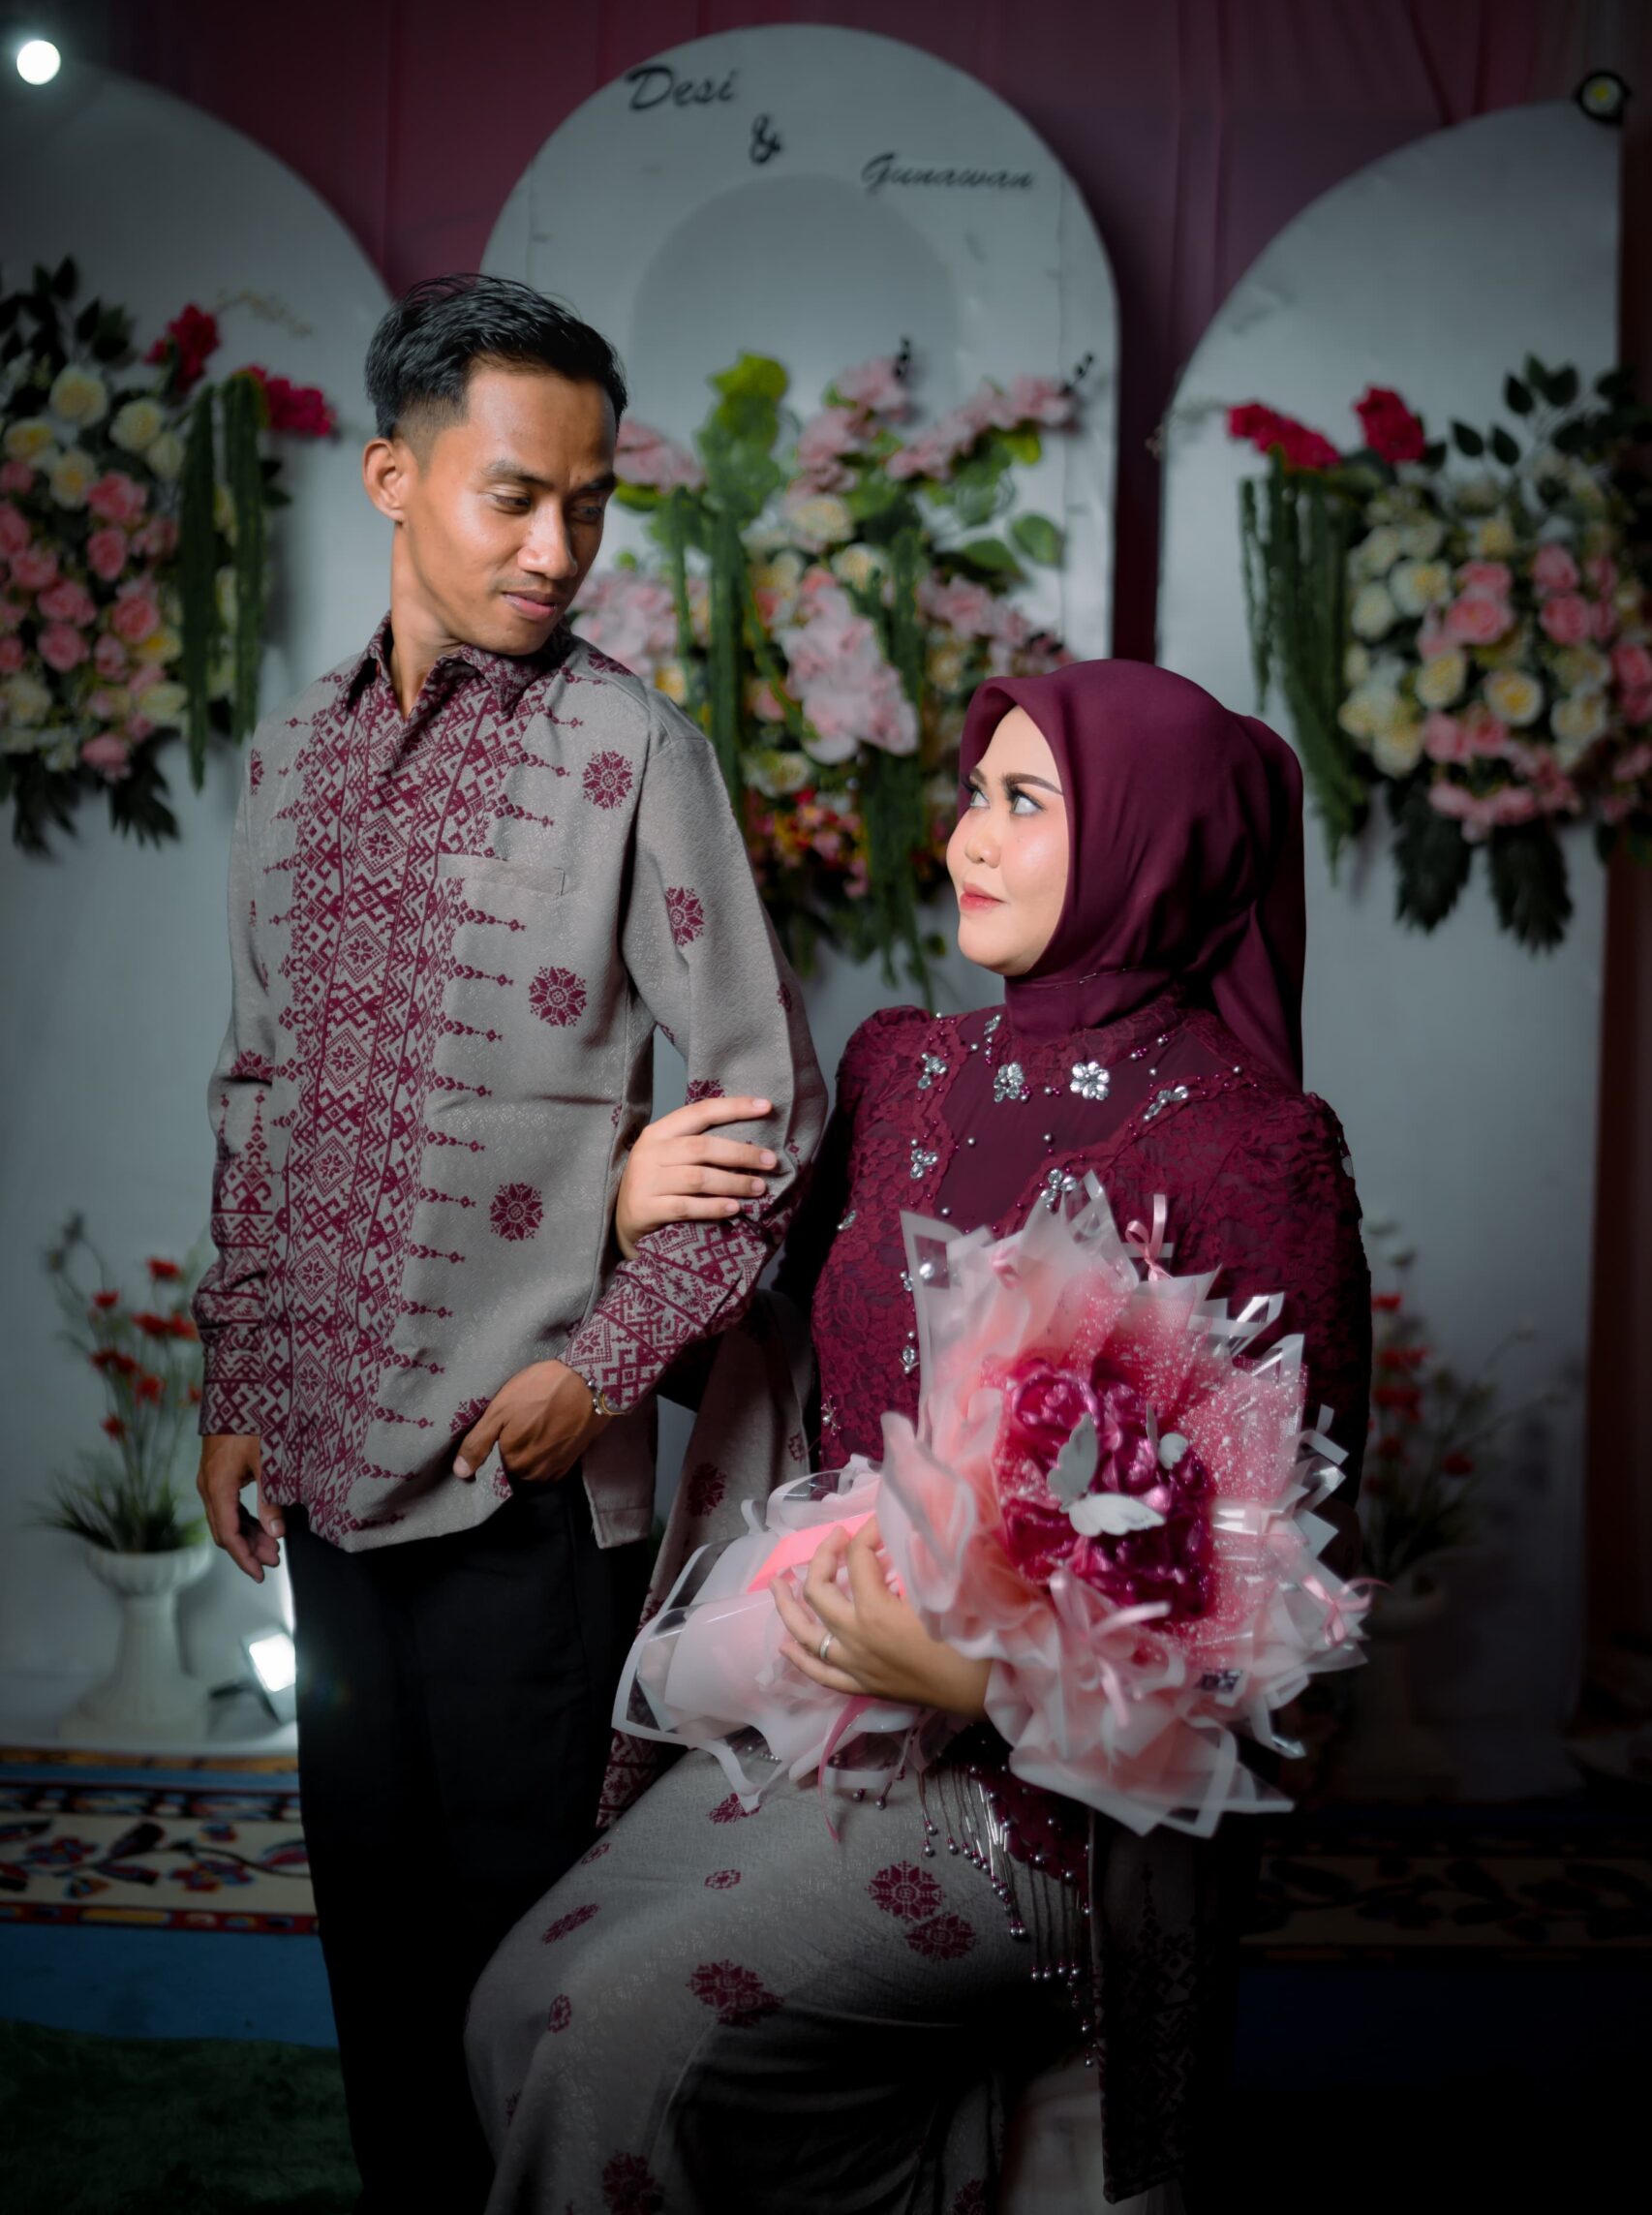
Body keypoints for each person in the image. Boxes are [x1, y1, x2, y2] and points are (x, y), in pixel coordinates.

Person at [465, 659, 1371, 2214]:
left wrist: (977, 1678)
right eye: (972, 793)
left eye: (1026, 801)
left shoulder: (1251, 1150)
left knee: (608, 2034)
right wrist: (623, 1215)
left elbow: (1279, 1601)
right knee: (510, 2009)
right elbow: (765, 1368)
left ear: (1154, 839)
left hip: (1053, 1800)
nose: (967, 838)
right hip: (822, 1698)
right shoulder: (904, 1071)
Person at [191, 274, 826, 2213]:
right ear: (394, 478)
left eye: (590, 503)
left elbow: (766, 1120)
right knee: (375, 1947)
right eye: (513, 496)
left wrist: (595, 1371)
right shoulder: (287, 763)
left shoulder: (636, 755)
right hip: (320, 1472)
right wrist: (234, 1378)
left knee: (528, 1974)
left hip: (522, 1483)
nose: (559, 547)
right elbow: (257, 1086)